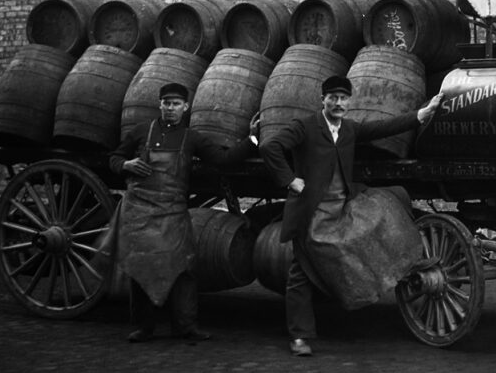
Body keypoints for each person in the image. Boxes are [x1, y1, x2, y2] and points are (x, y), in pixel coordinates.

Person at [261, 74, 443, 357]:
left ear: (349, 101)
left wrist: (419, 115)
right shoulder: (305, 127)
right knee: (301, 273)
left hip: (342, 206)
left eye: (343, 98)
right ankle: (299, 337)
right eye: (332, 98)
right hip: (311, 212)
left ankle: (408, 262)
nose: (338, 103)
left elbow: (382, 127)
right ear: (322, 100)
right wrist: (289, 180)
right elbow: (269, 147)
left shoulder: (348, 130)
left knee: (391, 200)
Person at [104, 82, 256, 344]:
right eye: (166, 103)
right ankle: (145, 327)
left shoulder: (192, 138)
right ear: (159, 105)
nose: (170, 109)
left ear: (186, 107)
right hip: (141, 211)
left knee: (184, 268)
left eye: (176, 104)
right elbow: (114, 158)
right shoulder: (142, 132)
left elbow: (223, 159)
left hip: (173, 212)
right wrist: (125, 164)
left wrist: (252, 139)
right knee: (142, 267)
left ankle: (185, 326)